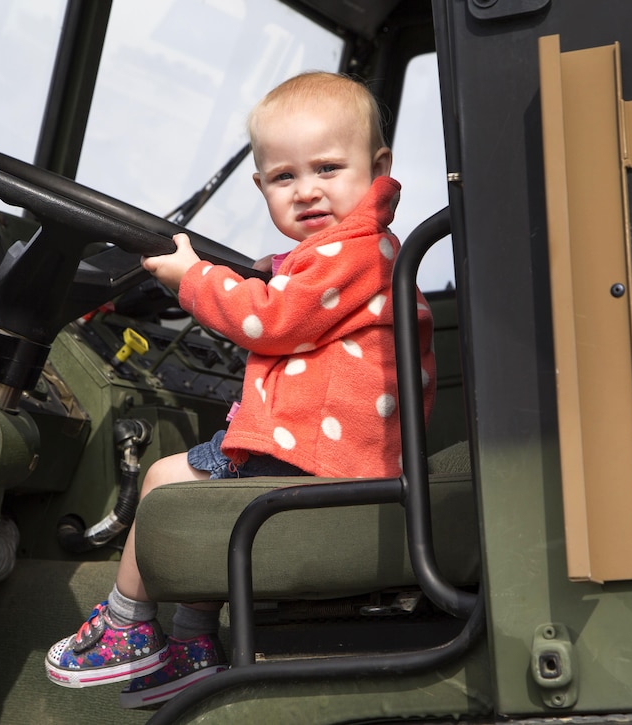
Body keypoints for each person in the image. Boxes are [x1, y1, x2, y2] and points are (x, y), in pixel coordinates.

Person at [46, 70, 437, 708]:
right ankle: (194, 645)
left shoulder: (352, 253)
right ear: (261, 187)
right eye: (284, 178)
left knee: (165, 484)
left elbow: (272, 321)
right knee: (209, 495)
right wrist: (265, 272)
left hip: (319, 463)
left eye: (329, 169)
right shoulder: (361, 250)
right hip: (343, 457)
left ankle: (125, 625)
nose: (307, 191)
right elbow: (299, 295)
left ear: (378, 166)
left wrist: (192, 279)